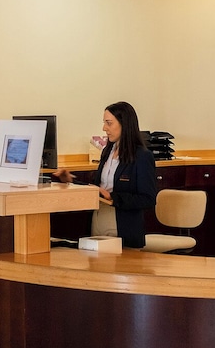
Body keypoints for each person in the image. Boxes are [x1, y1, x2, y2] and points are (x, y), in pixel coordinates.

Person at [55, 101, 157, 248]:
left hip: (122, 225)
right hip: (98, 218)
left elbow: (148, 199)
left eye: (109, 123)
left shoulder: (142, 156)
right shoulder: (107, 151)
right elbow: (99, 188)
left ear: (124, 124)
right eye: (104, 123)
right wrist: (70, 181)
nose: (104, 128)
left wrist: (113, 197)